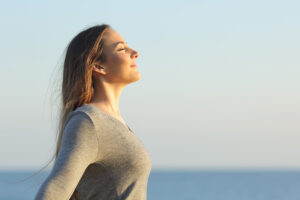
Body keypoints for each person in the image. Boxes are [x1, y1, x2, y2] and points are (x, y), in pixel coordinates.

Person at [34, 24, 152, 200]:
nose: (135, 52)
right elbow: (54, 191)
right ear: (98, 66)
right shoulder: (89, 122)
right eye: (122, 48)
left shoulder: (112, 121)